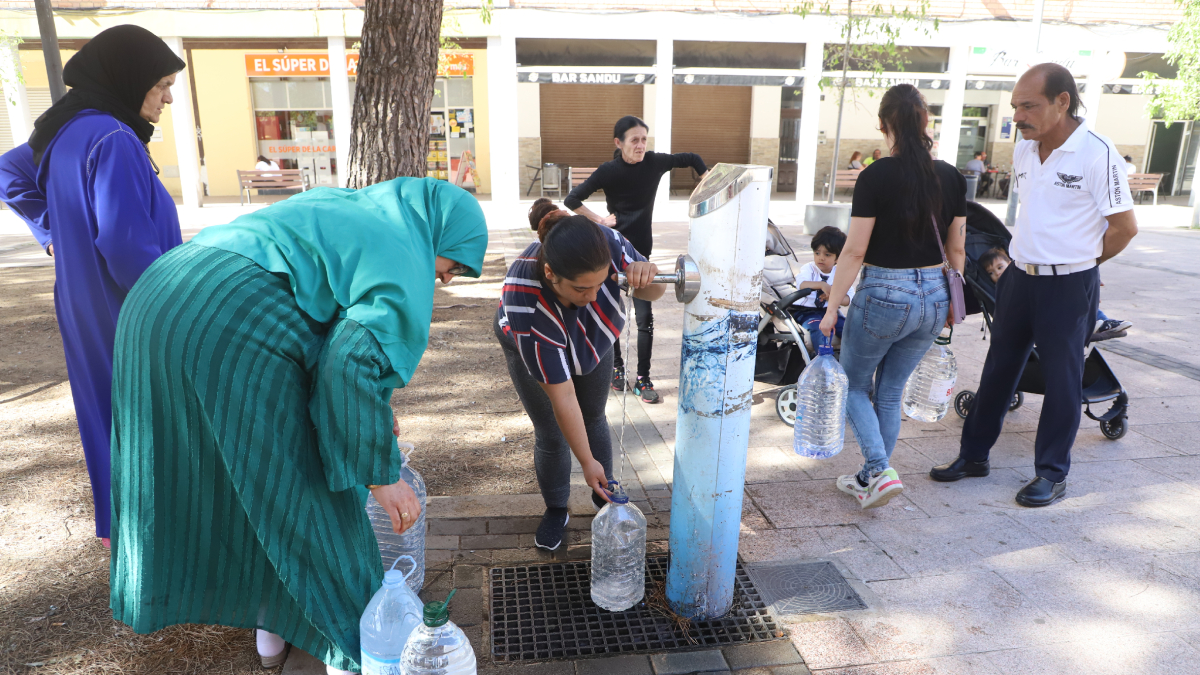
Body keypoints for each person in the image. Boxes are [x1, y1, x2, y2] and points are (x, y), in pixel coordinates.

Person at [108, 177, 487, 675]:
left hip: (157, 301)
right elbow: (349, 365)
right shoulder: (407, 250)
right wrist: (383, 476)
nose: (443, 281)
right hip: (225, 326)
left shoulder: (354, 208)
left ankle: (274, 633)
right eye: (451, 267)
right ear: (440, 236)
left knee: (243, 488)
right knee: (312, 498)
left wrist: (372, 408)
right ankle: (363, 653)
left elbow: (329, 324)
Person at [0, 25, 186, 549]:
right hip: (127, 308)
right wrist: (183, 306)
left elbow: (9, 171)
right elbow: (128, 248)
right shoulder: (114, 138)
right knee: (146, 422)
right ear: (128, 79)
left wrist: (53, 234)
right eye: (162, 84)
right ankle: (158, 543)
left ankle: (124, 535)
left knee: (107, 417)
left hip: (83, 303)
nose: (168, 97)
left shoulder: (67, 126)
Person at [929, 63, 1138, 507]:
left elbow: (1124, 228)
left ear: (1062, 102)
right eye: (1015, 107)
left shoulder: (1098, 153)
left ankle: (1052, 474)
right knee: (1000, 367)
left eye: (1029, 106)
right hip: (1019, 278)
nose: (1018, 116)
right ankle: (973, 456)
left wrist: (1081, 262)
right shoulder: (1027, 149)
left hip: (1068, 285)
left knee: (1063, 379)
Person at [819, 84, 967, 510]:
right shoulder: (951, 176)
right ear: (925, 122)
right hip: (935, 296)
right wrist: (953, 303)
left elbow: (855, 250)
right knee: (889, 392)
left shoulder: (876, 175)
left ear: (884, 126)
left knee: (852, 386)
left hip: (884, 293)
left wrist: (832, 307)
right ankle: (869, 477)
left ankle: (880, 470)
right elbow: (956, 250)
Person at [496, 200, 666, 550]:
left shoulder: (606, 242)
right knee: (551, 432)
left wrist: (647, 273)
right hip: (530, 338)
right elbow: (563, 397)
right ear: (551, 275)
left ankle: (604, 495)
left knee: (594, 416)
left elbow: (655, 291)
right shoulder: (524, 299)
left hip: (592, 336)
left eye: (599, 285)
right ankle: (557, 509)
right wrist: (586, 462)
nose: (592, 297)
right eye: (580, 289)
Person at [564, 115, 706, 404]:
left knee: (644, 320)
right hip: (612, 254)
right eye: (634, 140)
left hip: (641, 255)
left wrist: (703, 175)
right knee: (611, 314)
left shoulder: (654, 162)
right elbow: (572, 200)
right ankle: (616, 371)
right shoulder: (608, 171)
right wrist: (600, 220)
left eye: (644, 139)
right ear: (619, 143)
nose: (641, 145)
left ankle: (643, 378)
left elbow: (691, 157)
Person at [982, 247, 1132, 340]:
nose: (997, 273)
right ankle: (1095, 323)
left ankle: (1102, 322)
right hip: (1038, 315)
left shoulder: (1023, 274)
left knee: (1075, 296)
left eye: (1000, 267)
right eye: (991, 273)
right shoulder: (1002, 291)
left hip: (1050, 302)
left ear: (1010, 263)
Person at [790, 226, 853, 347]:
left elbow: (848, 299)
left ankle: (846, 359)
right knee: (819, 328)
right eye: (817, 253)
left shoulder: (839, 273)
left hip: (828, 311)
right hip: (805, 311)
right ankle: (821, 359)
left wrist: (834, 296)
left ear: (838, 258)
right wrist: (821, 285)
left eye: (827, 254)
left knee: (848, 330)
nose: (821, 257)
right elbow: (801, 284)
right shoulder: (809, 268)